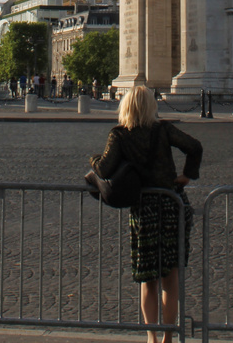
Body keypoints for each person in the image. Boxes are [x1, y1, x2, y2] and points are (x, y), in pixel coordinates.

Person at [88, 86, 202, 343]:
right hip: (172, 205)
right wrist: (186, 176)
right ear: (152, 106)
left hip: (145, 209)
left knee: (148, 279)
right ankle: (168, 338)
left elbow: (104, 168)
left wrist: (92, 159)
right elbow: (194, 146)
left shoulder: (120, 135)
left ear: (125, 107)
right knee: (170, 277)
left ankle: (151, 337)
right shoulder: (163, 129)